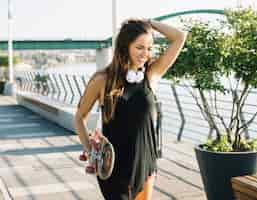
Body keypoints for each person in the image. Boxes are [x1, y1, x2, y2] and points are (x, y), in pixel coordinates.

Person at [74, 18, 186, 200]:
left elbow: (179, 37)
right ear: (125, 46)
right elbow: (79, 117)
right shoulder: (103, 80)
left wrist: (150, 23)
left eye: (149, 48)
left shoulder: (151, 75)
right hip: (114, 169)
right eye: (139, 47)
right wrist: (90, 151)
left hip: (145, 165)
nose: (146, 54)